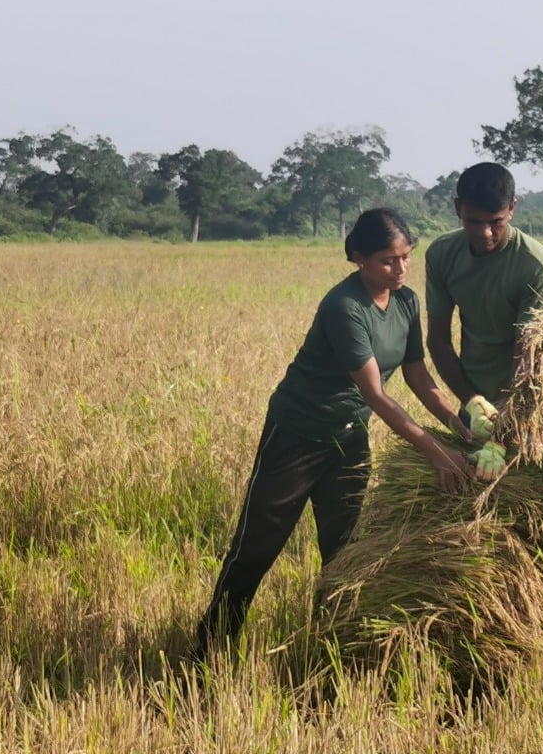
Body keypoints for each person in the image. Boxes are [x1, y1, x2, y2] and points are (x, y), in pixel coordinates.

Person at [193, 208, 477, 659]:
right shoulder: (344, 307)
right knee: (257, 547)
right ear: (358, 259)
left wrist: (462, 427)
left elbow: (420, 378)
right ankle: (209, 648)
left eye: (406, 257)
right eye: (388, 260)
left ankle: (330, 647)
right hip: (297, 435)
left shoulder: (405, 302)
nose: (401, 268)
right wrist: (436, 453)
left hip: (349, 439)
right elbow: (378, 395)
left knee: (344, 551)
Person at [425, 163, 543, 451]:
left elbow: (528, 354)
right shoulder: (442, 254)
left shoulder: (536, 267)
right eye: (474, 221)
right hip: (472, 399)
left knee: (523, 489)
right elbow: (437, 340)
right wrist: (472, 402)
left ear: (512, 208)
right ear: (458, 207)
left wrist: (506, 423)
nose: (485, 232)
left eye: (496, 222)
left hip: (525, 404)